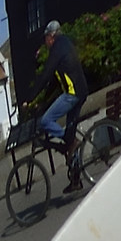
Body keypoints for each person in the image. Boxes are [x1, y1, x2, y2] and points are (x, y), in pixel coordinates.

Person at [33, 21, 90, 187]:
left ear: (51, 36)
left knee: (46, 121)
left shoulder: (57, 47)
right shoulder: (65, 43)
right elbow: (53, 83)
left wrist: (30, 98)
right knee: (70, 134)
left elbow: (45, 76)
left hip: (72, 94)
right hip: (81, 92)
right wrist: (42, 102)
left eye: (46, 39)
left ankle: (69, 141)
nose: (45, 43)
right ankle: (75, 180)